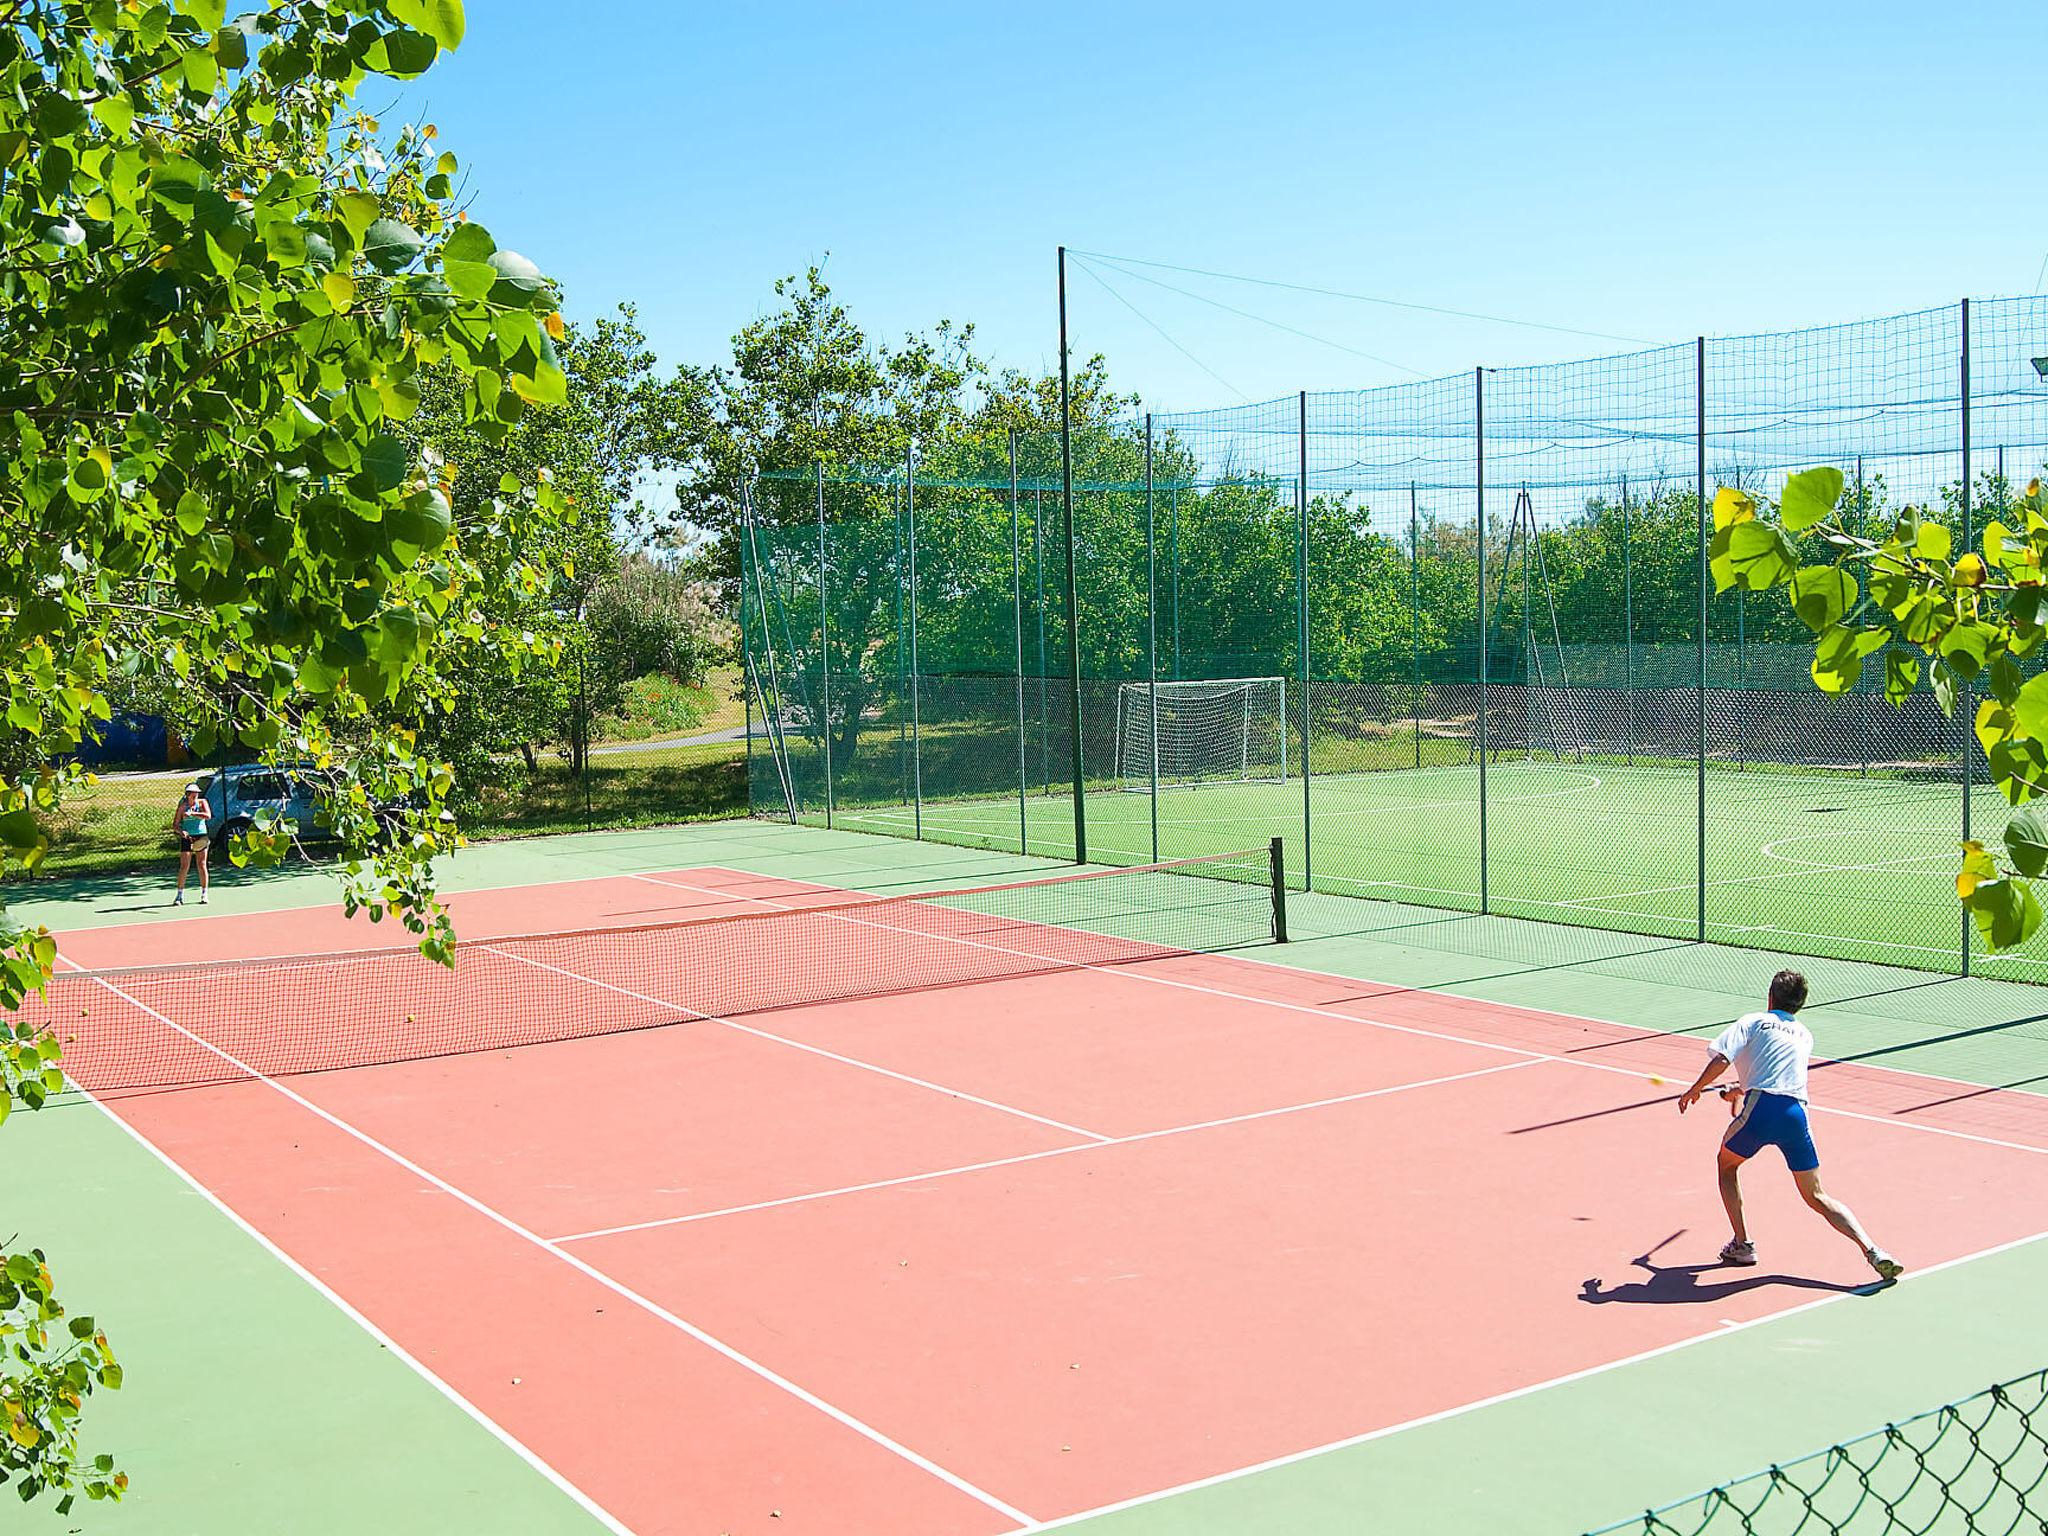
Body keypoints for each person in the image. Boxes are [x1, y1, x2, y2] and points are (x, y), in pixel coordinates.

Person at [1677, 969, 1902, 1282]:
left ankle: (1742, 1245)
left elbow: (1723, 1058)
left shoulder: (1753, 1021)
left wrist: (1695, 1088)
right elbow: (1775, 1072)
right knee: (1817, 1195)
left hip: (1761, 1111)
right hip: (1795, 1114)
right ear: (1800, 1004)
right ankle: (1873, 1250)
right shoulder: (1804, 1034)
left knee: (1726, 1165)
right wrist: (1738, 1089)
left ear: (1770, 997)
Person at [173, 782, 211, 906]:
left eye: (197, 793)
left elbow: (208, 816)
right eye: (193, 794)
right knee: (184, 866)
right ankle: (179, 895)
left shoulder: (202, 803)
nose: (195, 795)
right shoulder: (182, 807)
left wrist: (193, 814)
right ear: (188, 795)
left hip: (201, 836)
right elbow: (175, 825)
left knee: (202, 865)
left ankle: (204, 894)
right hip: (187, 838)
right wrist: (181, 831)